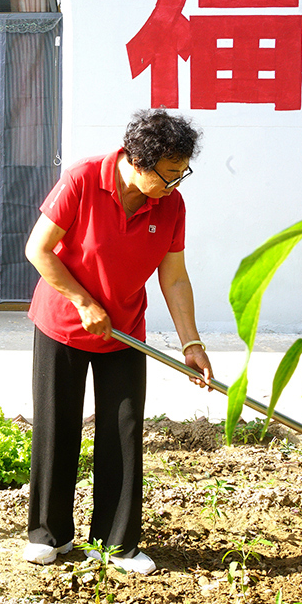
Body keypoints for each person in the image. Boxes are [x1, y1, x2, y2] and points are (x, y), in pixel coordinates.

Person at [21, 108, 213, 575]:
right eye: (170, 174)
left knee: (123, 433)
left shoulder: (170, 206)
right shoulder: (84, 179)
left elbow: (175, 279)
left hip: (125, 330)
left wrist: (192, 343)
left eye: (182, 172)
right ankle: (50, 535)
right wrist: (84, 303)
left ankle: (116, 543)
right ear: (139, 162)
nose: (177, 183)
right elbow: (38, 249)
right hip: (64, 323)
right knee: (57, 426)